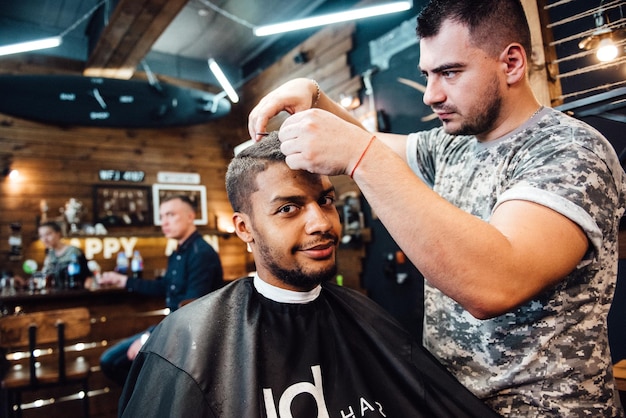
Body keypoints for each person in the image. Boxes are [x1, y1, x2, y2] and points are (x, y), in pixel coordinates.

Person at [247, 1, 626, 416]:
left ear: (512, 63)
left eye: (450, 72)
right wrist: (316, 96)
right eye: (428, 75)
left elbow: (494, 284)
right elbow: (374, 145)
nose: (431, 95)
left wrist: (359, 156)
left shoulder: (569, 149)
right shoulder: (452, 145)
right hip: (453, 406)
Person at [118, 134, 499, 417]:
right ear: (244, 227)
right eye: (288, 208)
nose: (321, 222)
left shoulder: (366, 316)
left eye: (326, 201)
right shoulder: (188, 344)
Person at [98, 195, 224, 386]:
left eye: (171, 215)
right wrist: (124, 281)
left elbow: (192, 309)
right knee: (110, 361)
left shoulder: (201, 253)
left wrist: (149, 338)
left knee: (112, 363)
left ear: (191, 216)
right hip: (171, 329)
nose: (164, 222)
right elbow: (164, 286)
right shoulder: (176, 253)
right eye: (162, 216)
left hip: (190, 338)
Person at [38, 221, 91, 289]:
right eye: (41, 236)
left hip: (74, 293)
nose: (44, 239)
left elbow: (87, 276)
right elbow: (45, 274)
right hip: (55, 295)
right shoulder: (50, 254)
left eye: (48, 234)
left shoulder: (73, 251)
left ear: (58, 233)